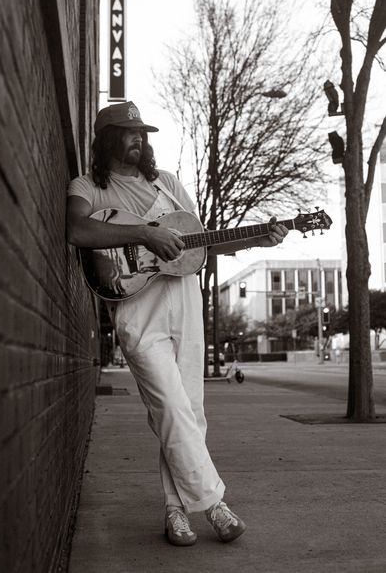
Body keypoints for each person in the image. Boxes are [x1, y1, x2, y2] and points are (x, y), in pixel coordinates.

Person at [67, 101, 288, 547]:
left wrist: (255, 238)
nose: (139, 139)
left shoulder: (166, 183)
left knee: (190, 412)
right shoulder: (88, 187)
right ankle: (215, 504)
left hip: (184, 297)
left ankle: (175, 512)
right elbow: (78, 232)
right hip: (137, 308)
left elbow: (200, 241)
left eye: (142, 133)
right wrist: (145, 233)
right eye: (129, 132)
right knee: (169, 406)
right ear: (107, 138)